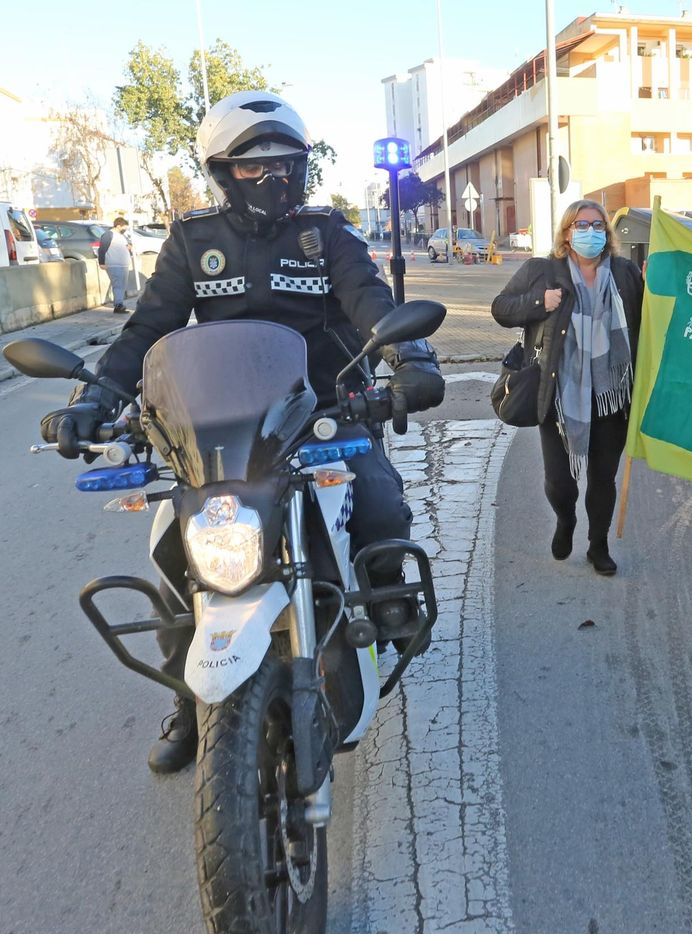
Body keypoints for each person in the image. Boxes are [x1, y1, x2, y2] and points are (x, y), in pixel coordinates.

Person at [39, 90, 446, 775]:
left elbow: (371, 302)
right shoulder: (193, 240)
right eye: (253, 167)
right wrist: (95, 397)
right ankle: (192, 701)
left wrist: (411, 359)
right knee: (176, 551)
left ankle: (386, 599)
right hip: (221, 425)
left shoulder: (328, 234)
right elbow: (148, 328)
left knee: (378, 500)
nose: (271, 177)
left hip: (321, 413)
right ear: (223, 173)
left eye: (284, 164)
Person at [491, 199, 644, 577]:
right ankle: (565, 519)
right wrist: (538, 302)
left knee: (603, 479)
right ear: (566, 232)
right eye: (581, 225)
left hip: (611, 395)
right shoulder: (542, 271)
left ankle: (598, 545)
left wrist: (658, 283)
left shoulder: (624, 273)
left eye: (597, 225)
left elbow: (647, 322)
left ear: (607, 233)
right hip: (559, 395)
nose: (590, 232)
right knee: (559, 482)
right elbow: (501, 308)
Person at [102, 217, 134, 313]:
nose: (125, 229)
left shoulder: (122, 236)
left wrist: (129, 248)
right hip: (114, 264)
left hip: (123, 264)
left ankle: (119, 304)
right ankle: (118, 305)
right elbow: (102, 249)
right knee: (118, 285)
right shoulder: (108, 235)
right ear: (118, 226)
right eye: (124, 227)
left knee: (122, 285)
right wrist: (101, 262)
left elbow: (127, 246)